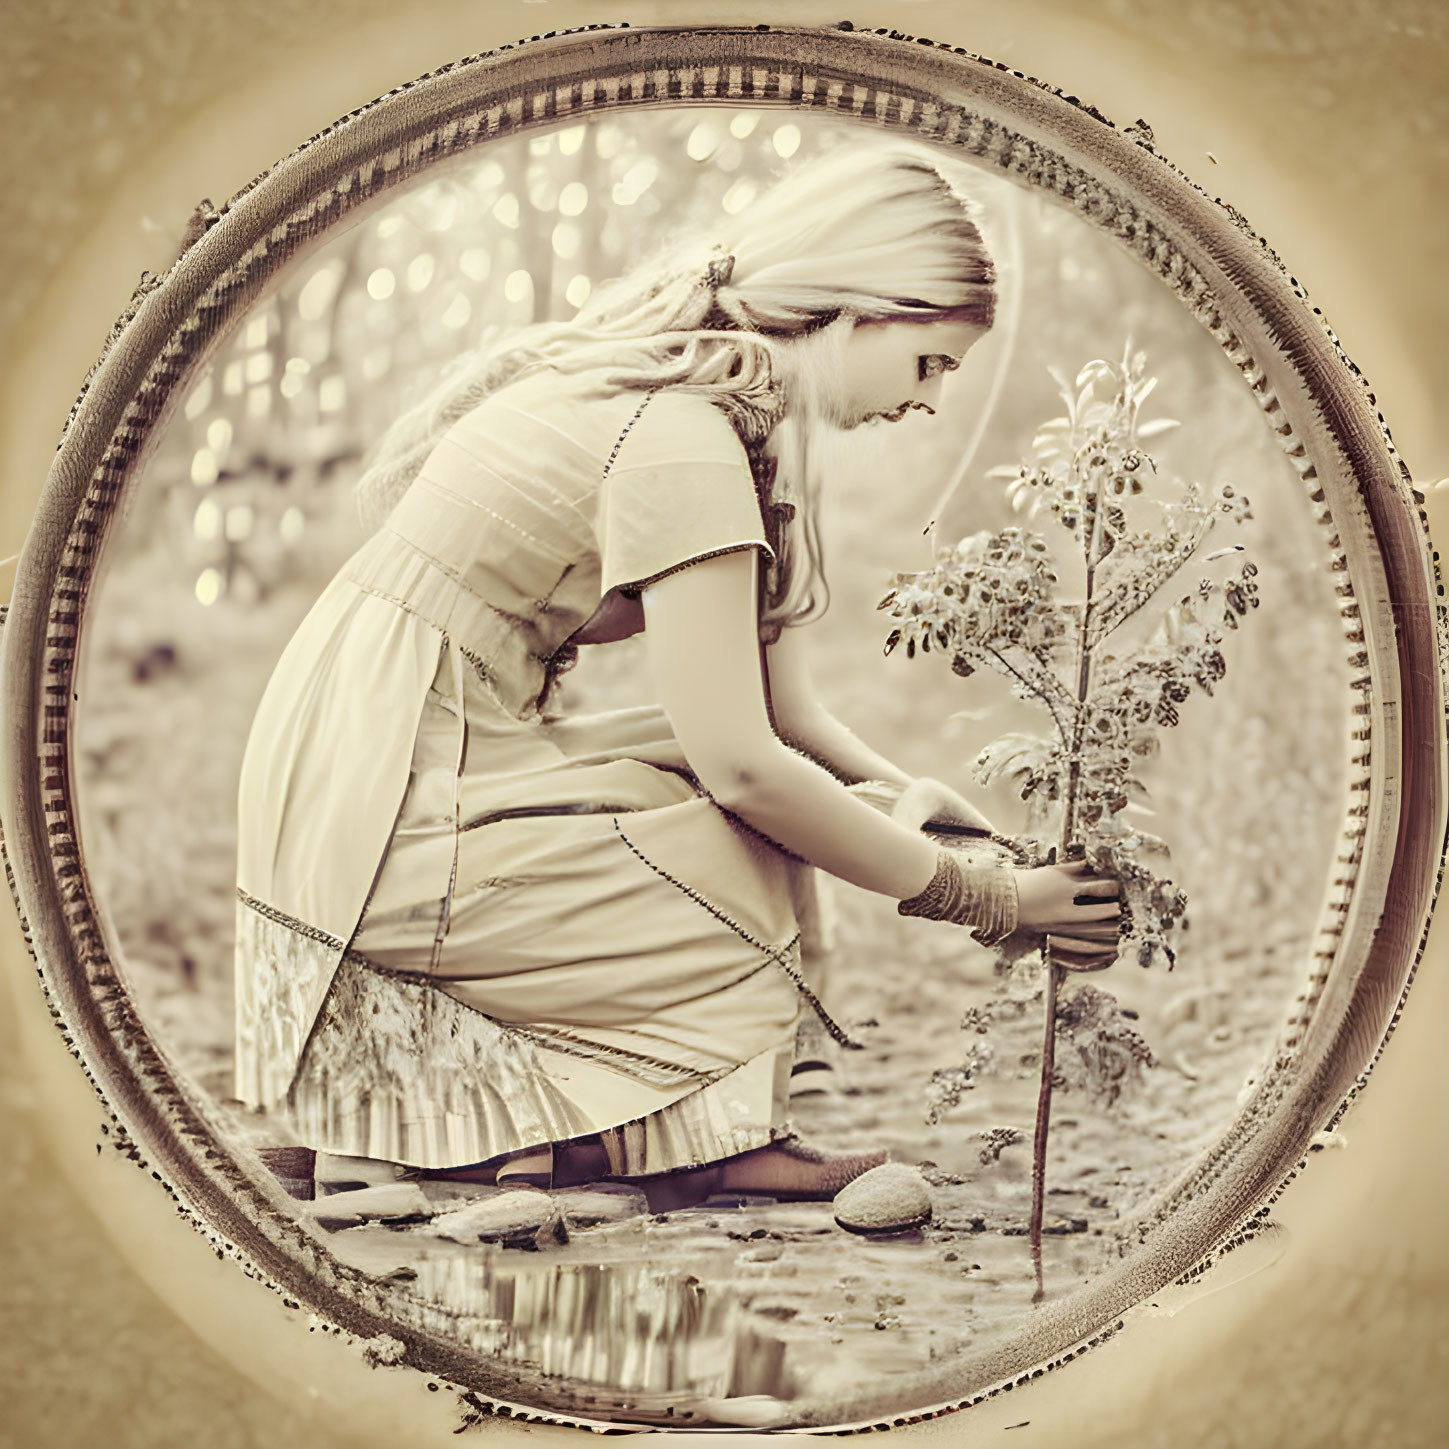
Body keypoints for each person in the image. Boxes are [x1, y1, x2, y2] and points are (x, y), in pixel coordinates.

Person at [233, 140, 1121, 1212]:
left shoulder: (726, 420)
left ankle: (656, 1133)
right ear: (852, 311)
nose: (933, 399)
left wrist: (925, 816)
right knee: (742, 828)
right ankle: (580, 1141)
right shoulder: (681, 439)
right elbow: (748, 769)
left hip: (400, 758)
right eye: (931, 361)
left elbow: (786, 719)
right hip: (376, 806)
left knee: (766, 803)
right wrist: (983, 900)